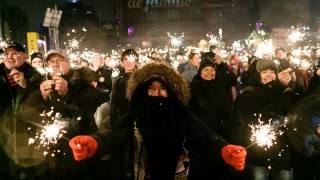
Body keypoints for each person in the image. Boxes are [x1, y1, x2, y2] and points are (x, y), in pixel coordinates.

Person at [69, 63, 247, 180]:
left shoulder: (180, 113)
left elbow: (204, 136)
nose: (156, 93)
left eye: (162, 88)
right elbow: (115, 133)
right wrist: (95, 143)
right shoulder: (136, 113)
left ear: (171, 91)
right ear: (142, 91)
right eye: (151, 89)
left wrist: (223, 148)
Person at [231, 59, 297, 180]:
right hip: (258, 155)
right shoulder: (250, 92)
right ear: (258, 75)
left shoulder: (286, 92)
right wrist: (278, 85)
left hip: (282, 155)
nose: (269, 74)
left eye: (272, 71)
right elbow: (251, 105)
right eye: (264, 71)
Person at [0, 42, 43, 180]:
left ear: (24, 56)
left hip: (26, 136)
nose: (9, 57)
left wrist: (25, 86)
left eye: (14, 53)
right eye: (6, 54)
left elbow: (41, 104)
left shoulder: (35, 77)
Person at [187, 58, 235, 179]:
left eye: (212, 69)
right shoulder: (193, 89)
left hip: (221, 140)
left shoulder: (220, 86)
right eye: (206, 69)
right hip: (201, 143)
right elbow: (190, 116)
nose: (209, 72)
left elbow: (232, 80)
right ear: (200, 72)